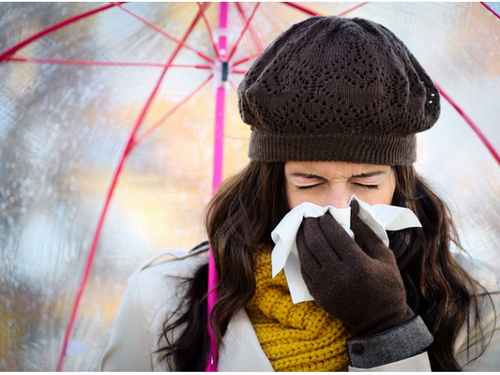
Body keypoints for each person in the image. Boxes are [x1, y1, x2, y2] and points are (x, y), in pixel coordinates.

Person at [100, 15, 500, 372]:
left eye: (367, 183)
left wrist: (387, 328)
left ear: (400, 182)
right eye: (309, 183)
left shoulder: (476, 305)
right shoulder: (162, 299)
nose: (339, 207)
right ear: (272, 184)